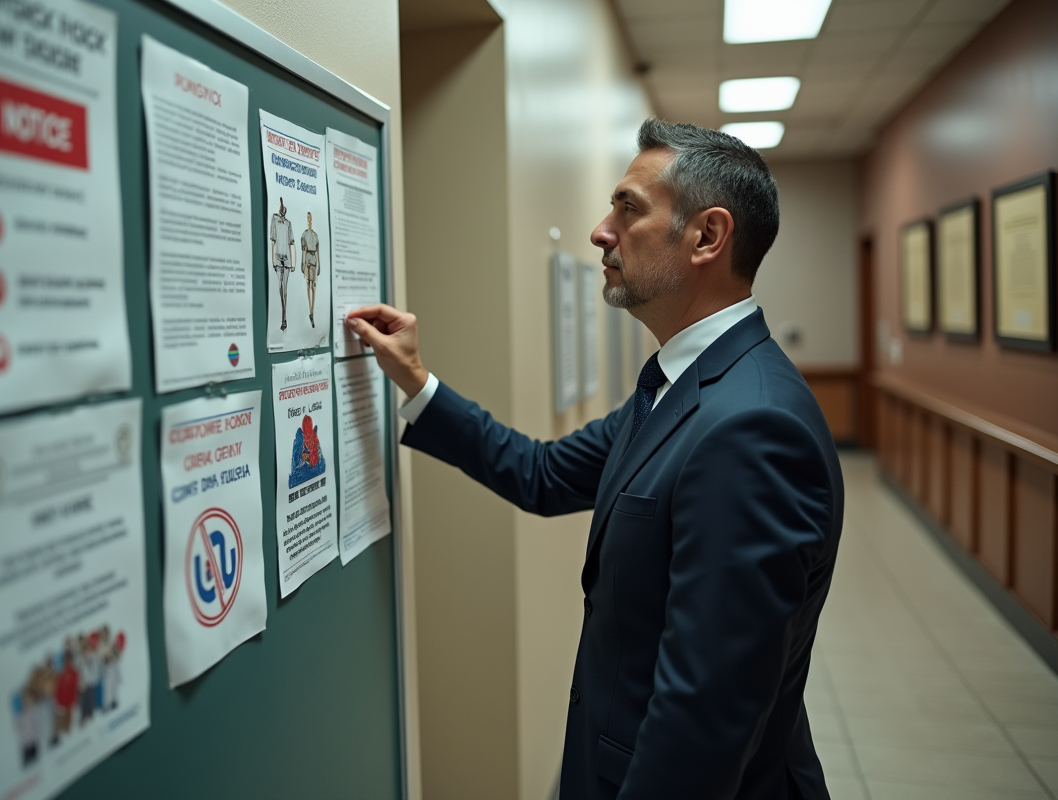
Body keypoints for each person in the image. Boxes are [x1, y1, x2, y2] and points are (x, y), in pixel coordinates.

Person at [346, 120, 843, 800]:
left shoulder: (752, 427)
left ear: (707, 236)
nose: (600, 231)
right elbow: (543, 473)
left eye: (628, 208)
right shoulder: (681, 388)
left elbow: (702, 717)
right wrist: (416, 384)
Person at [269, 198, 296, 332]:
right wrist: (273, 261)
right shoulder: (274, 220)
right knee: (280, 289)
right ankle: (283, 316)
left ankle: (284, 318)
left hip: (286, 260)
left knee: (284, 290)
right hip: (278, 259)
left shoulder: (288, 224)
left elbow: (292, 243)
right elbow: (272, 242)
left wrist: (293, 264)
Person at [301, 211, 321, 328]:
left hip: (313, 260)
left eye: (310, 218)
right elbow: (303, 250)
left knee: (314, 286)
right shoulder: (304, 235)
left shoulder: (315, 235)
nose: (309, 220)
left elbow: (318, 252)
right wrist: (302, 264)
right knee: (308, 285)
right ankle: (310, 310)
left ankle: (312, 311)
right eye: (308, 218)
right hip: (307, 259)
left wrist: (319, 265)